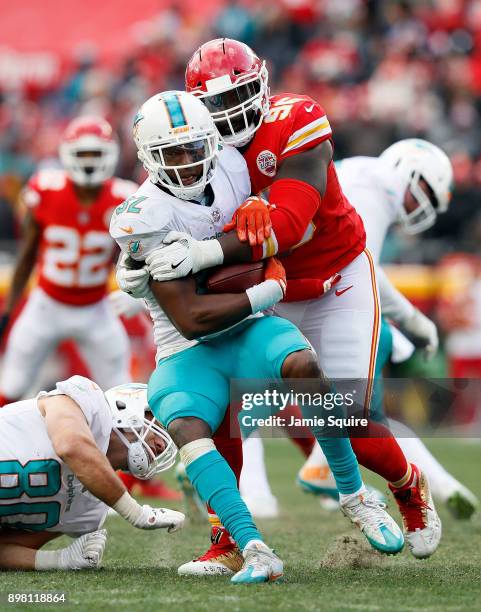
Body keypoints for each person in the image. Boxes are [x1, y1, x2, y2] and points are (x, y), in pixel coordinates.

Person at [135, 38, 441, 566]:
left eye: (241, 97)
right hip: (268, 292)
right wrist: (140, 264)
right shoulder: (199, 155)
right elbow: (162, 213)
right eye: (217, 106)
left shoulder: (296, 120)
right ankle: (230, 538)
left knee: (346, 418)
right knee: (227, 411)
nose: (231, 115)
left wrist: (207, 248)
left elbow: (291, 223)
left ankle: (407, 485)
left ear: (264, 86)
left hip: (334, 280)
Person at [299, 140, 477, 519]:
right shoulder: (374, 185)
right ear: (407, 169)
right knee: (363, 395)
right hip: (308, 292)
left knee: (259, 400)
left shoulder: (362, 173)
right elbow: (360, 269)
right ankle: (324, 466)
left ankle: (326, 464)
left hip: (303, 286)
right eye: (423, 192)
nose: (420, 205)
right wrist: (412, 319)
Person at [0, 116, 135, 404]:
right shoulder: (45, 190)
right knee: (11, 384)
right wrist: (9, 311)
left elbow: (134, 257)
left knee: (122, 393)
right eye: (82, 154)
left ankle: (129, 448)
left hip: (96, 307)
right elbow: (26, 256)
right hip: (46, 303)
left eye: (96, 154)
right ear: (67, 155)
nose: (89, 161)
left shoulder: (124, 199)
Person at [0, 376, 184, 571]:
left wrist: (60, 560)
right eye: (160, 427)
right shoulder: (87, 401)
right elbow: (72, 446)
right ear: (129, 406)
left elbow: (4, 548)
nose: (162, 444)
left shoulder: (92, 512)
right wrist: (137, 513)